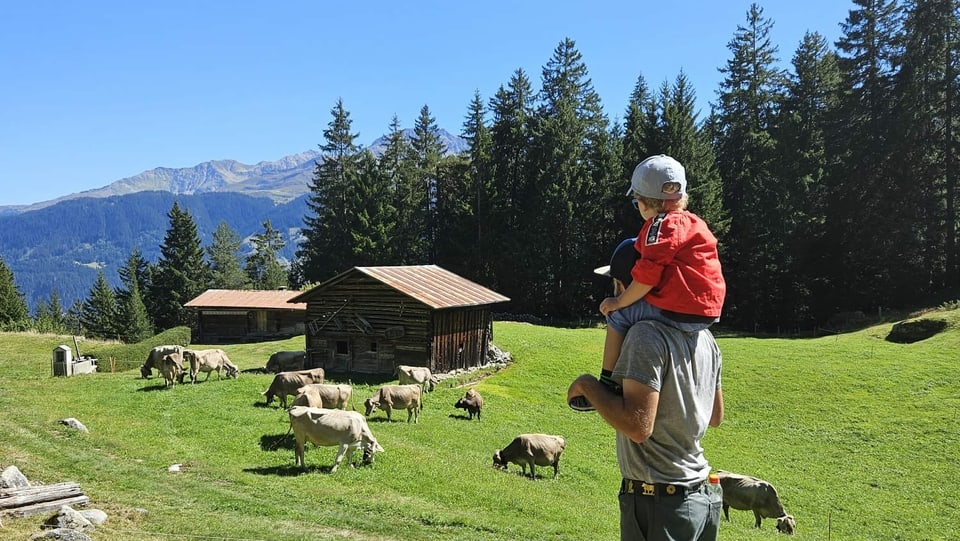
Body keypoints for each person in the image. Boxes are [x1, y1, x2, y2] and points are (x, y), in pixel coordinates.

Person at [569, 154, 725, 412]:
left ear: (643, 202)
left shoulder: (660, 226)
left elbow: (646, 276)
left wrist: (618, 301)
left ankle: (607, 382)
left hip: (678, 309)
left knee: (618, 316)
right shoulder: (696, 224)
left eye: (636, 202)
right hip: (706, 313)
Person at [566, 302, 725, 540]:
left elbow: (637, 428)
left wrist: (587, 385)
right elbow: (715, 416)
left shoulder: (645, 334)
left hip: (660, 505)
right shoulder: (705, 337)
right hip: (701, 498)